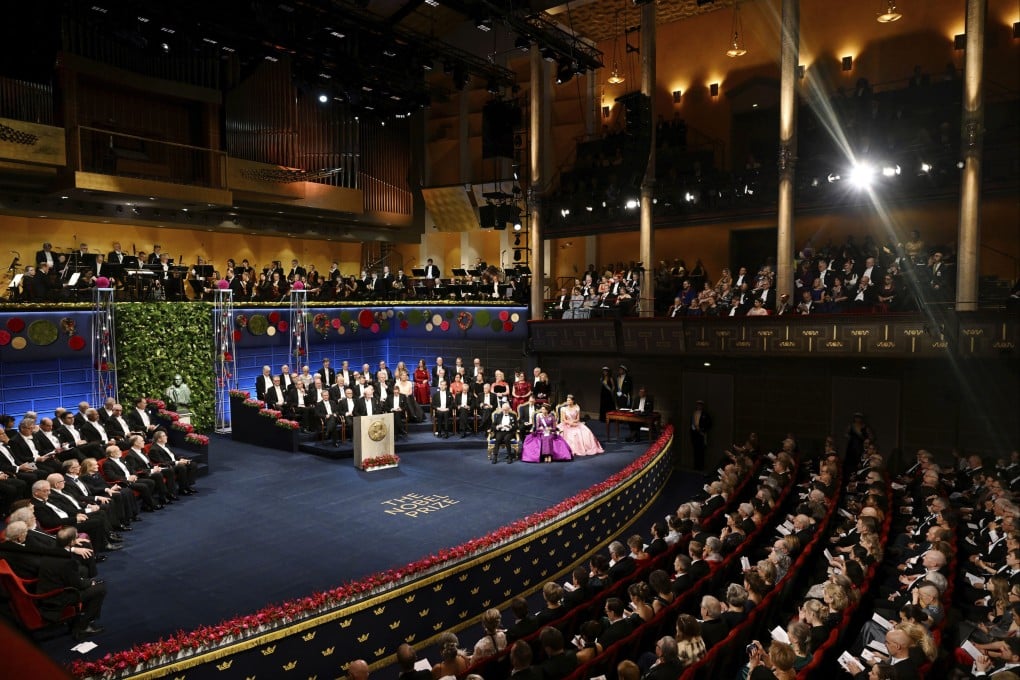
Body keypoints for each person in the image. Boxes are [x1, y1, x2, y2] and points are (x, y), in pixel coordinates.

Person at [689, 400, 711, 470]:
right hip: (694, 434)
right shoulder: (694, 413)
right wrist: (693, 429)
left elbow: (709, 423)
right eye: (698, 405)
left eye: (700, 405)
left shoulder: (705, 414)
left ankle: (701, 467)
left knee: (701, 451)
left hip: (701, 434)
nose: (699, 406)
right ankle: (695, 466)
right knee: (695, 451)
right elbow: (691, 422)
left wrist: (702, 429)